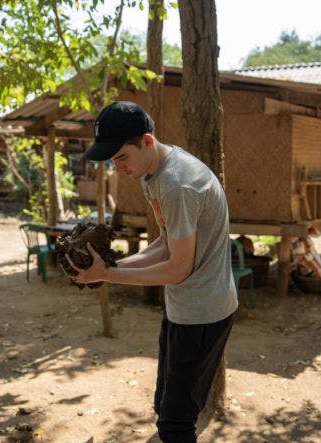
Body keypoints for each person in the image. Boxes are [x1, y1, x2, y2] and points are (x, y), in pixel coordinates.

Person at [67, 101, 238, 443]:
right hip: (184, 308)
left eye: (122, 158)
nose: (119, 168)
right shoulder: (153, 174)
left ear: (147, 141)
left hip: (203, 314)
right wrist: (111, 266)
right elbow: (166, 243)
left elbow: (177, 268)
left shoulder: (177, 184)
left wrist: (108, 276)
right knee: (165, 406)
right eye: (113, 161)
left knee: (176, 423)